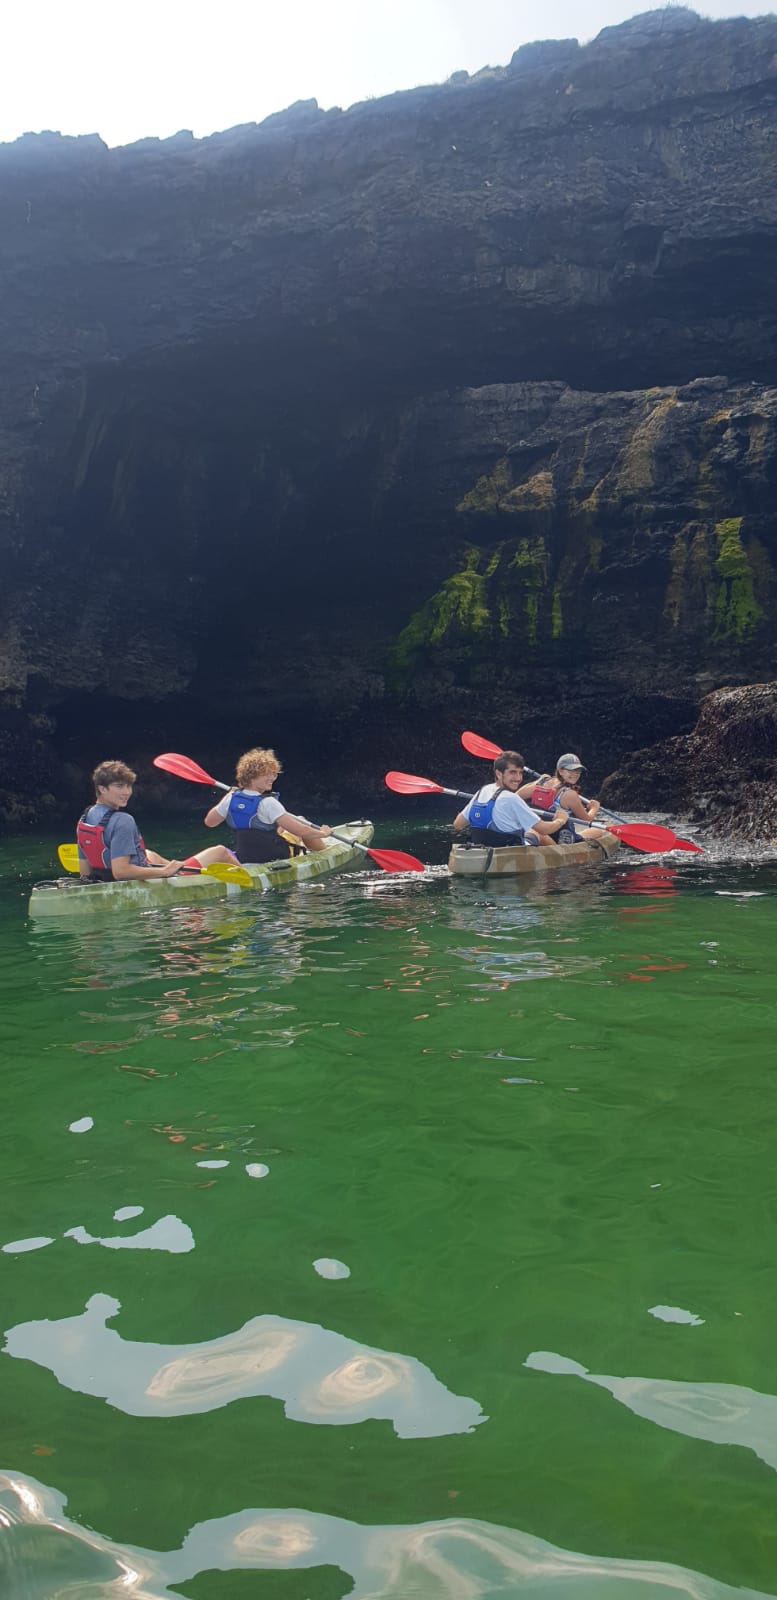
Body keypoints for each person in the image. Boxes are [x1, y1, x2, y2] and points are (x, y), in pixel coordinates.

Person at [77, 760, 237, 882]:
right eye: (119, 786)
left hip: (106, 877)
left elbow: (85, 871)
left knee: (149, 854)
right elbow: (121, 872)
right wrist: (165, 872)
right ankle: (256, 878)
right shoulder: (123, 820)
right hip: (142, 879)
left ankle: (179, 870)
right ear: (102, 789)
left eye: (128, 786)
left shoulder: (85, 818)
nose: (126, 792)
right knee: (220, 851)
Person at [203, 747, 333, 864]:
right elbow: (300, 831)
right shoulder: (268, 802)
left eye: (274, 774)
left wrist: (226, 797)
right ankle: (325, 855)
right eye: (267, 774)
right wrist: (323, 833)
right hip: (276, 855)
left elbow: (210, 822)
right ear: (251, 776)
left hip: (245, 857)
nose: (272, 778)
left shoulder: (231, 798)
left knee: (282, 825)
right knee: (302, 822)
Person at [452, 751, 569, 847]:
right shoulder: (511, 798)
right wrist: (561, 820)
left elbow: (458, 824)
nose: (518, 778)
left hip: (481, 849)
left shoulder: (481, 791)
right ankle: (562, 859)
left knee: (527, 830)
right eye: (512, 773)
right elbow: (544, 829)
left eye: (520, 773)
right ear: (498, 773)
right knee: (537, 832)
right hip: (509, 851)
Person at [519, 753, 602, 842]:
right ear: (560, 771)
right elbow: (587, 819)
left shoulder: (540, 783)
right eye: (570, 770)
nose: (575, 774)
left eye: (578, 771)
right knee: (597, 831)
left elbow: (516, 796)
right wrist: (594, 808)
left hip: (537, 827)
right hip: (559, 834)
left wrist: (538, 781)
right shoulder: (570, 795)